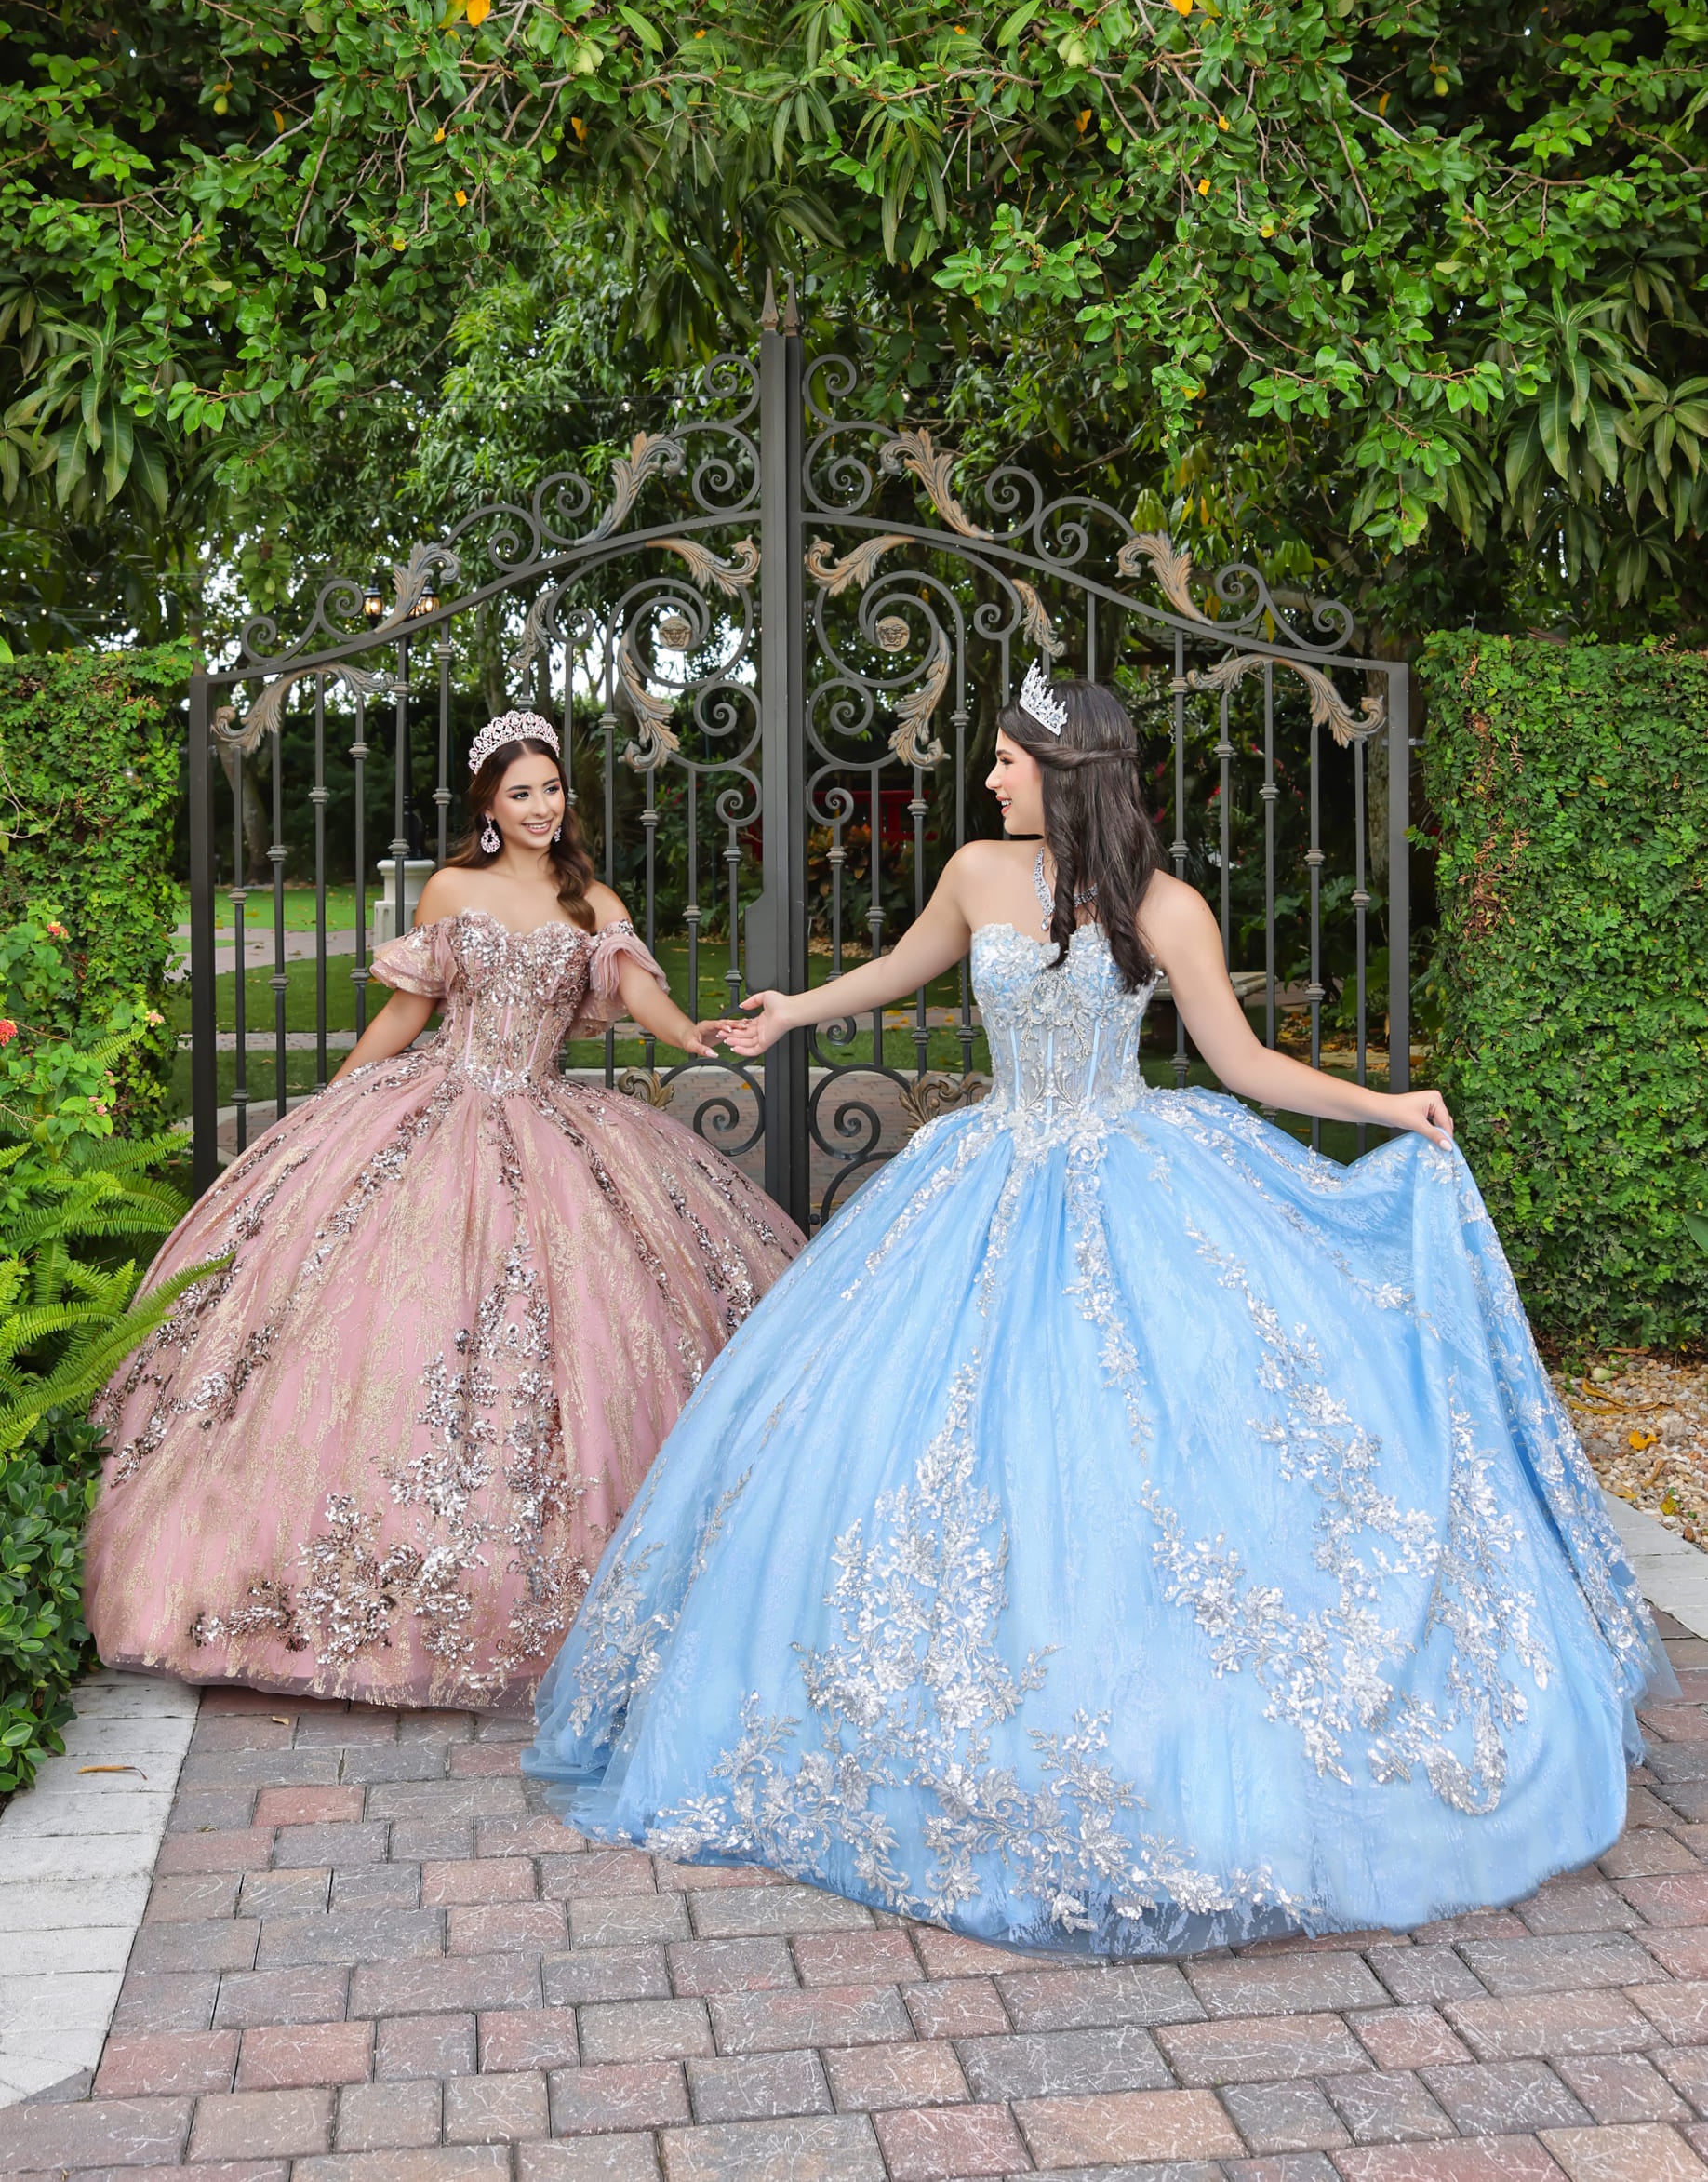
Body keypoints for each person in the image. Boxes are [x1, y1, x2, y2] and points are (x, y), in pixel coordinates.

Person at [524, 672, 1668, 1955]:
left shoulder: (1165, 906)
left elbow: (1243, 1063)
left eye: (1008, 761)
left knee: (1156, 1451)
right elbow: (898, 970)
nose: (989, 778)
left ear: (1068, 772)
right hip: (986, 1181)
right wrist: (794, 1009)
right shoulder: (974, 873)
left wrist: (1386, 1106)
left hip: (1133, 1181)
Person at [85, 712, 801, 1708]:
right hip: (439, 1106)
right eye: (522, 793)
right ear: (489, 808)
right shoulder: (452, 890)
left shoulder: (593, 901)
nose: (543, 807)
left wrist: (692, 1034)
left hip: (545, 1116)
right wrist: (337, 1100)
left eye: (553, 789)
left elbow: (642, 997)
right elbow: (406, 1011)